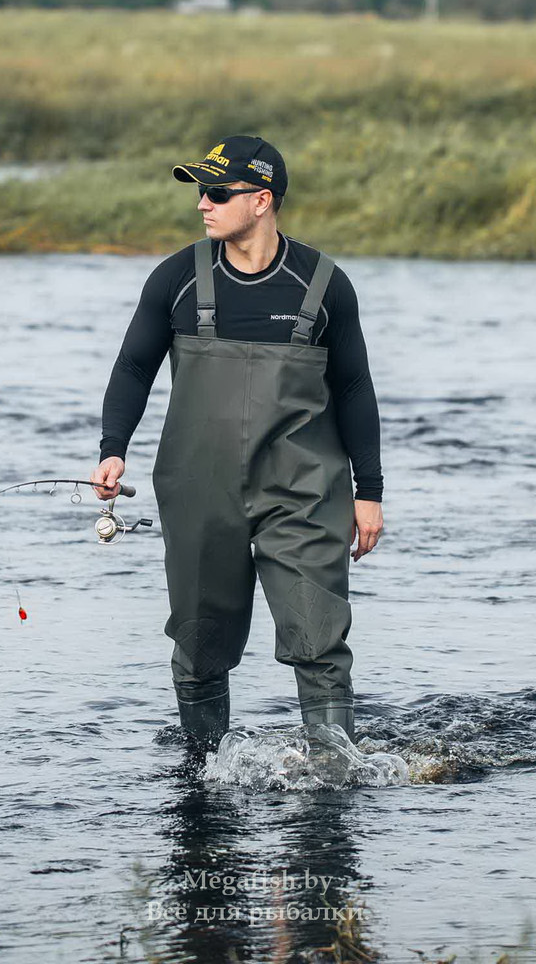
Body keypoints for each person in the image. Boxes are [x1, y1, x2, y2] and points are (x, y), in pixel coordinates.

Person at [90, 135, 384, 751]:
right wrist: (112, 447)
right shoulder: (175, 278)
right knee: (199, 642)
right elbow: (132, 368)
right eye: (200, 189)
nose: (203, 203)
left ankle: (334, 782)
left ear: (262, 201)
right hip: (200, 490)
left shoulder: (325, 285)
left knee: (318, 637)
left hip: (304, 493)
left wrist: (369, 492)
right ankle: (202, 776)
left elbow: (355, 388)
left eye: (217, 191)